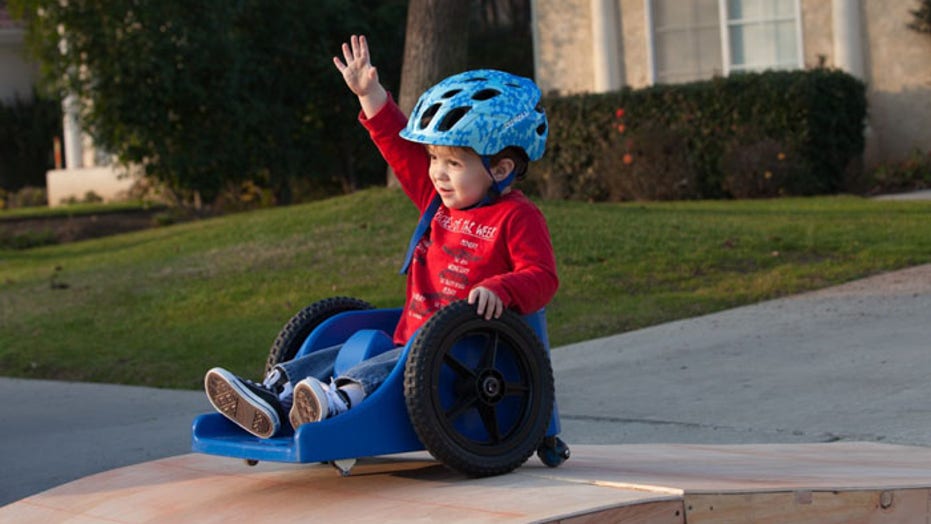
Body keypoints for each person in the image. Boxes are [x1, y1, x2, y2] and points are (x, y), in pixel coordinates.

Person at [203, 34, 559, 439]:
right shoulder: (437, 202)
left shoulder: (518, 217)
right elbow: (398, 146)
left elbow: (543, 276)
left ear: (500, 169)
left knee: (386, 365)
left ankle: (339, 403)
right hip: (409, 339)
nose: (438, 174)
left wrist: (503, 288)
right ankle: (274, 394)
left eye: (454, 163)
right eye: (435, 160)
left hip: (463, 355)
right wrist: (369, 93)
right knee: (346, 348)